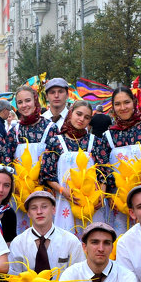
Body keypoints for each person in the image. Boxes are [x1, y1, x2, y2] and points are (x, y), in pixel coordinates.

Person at [41, 100, 111, 234]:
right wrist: (64, 191)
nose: (81, 119)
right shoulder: (55, 141)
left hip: (92, 204)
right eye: (78, 114)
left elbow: (104, 172)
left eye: (87, 117)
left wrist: (101, 195)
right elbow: (47, 174)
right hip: (64, 201)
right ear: (70, 113)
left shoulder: (95, 141)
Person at [8, 191, 82, 276]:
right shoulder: (18, 243)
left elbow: (79, 276)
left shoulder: (70, 241)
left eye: (44, 207)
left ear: (53, 209)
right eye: (34, 208)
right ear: (28, 213)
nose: (39, 211)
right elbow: (14, 277)